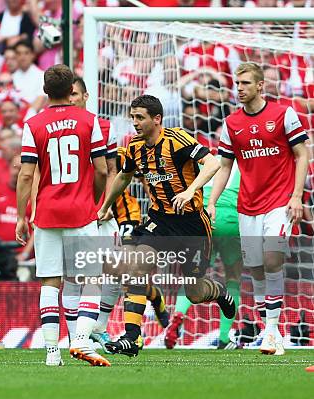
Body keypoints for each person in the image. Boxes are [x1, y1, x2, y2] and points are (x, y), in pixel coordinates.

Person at [98, 94, 237, 357]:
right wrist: (106, 206)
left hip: (192, 223)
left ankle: (219, 293)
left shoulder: (177, 139)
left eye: (140, 118)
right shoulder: (133, 147)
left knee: (195, 292)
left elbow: (213, 163)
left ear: (157, 119)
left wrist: (190, 191)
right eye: (133, 118)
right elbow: (124, 176)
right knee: (135, 266)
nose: (135, 123)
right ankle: (131, 337)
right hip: (159, 220)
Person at [210, 62, 309, 356]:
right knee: (254, 268)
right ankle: (273, 330)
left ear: (259, 86)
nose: (238, 88)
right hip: (247, 206)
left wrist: (297, 196)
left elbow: (302, 155)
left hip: (280, 202)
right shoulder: (231, 124)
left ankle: (269, 331)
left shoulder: (283, 115)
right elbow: (225, 165)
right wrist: (212, 201)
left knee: (272, 258)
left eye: (244, 83)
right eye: (236, 83)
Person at [16, 64, 109, 367]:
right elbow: (103, 169)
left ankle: (51, 352)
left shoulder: (33, 125)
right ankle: (81, 341)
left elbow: (27, 175)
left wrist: (21, 216)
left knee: (50, 282)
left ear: (45, 91)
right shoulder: (89, 121)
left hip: (47, 213)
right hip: (81, 211)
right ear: (72, 90)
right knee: (91, 278)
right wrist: (92, 200)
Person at [69, 78, 169, 352]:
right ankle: (149, 296)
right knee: (81, 274)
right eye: (66, 95)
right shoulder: (58, 130)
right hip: (78, 212)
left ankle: (100, 328)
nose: (70, 99)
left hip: (116, 213)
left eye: (75, 94)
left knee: (120, 272)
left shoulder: (103, 128)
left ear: (86, 96)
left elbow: (120, 171)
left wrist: (106, 205)